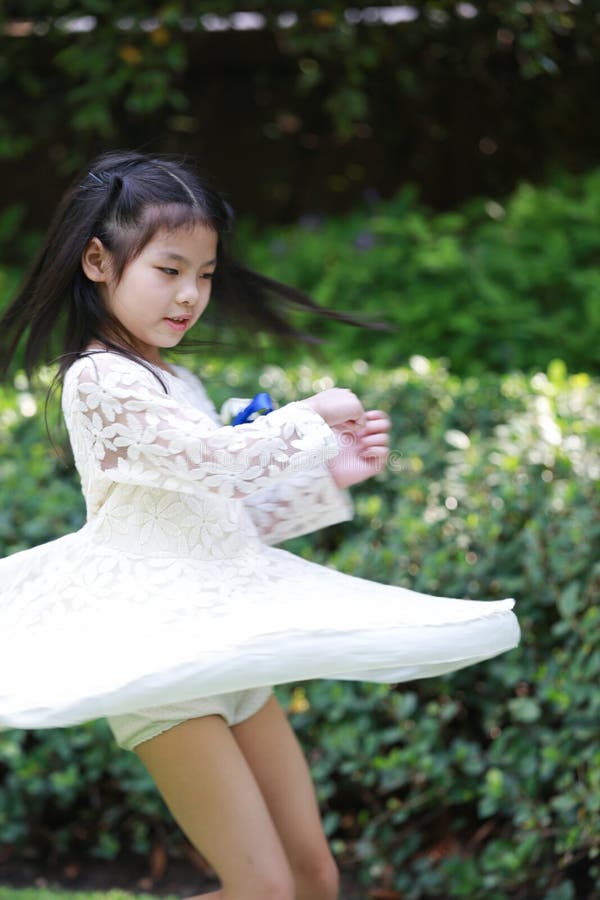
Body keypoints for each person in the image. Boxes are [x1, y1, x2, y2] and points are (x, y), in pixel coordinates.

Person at [0, 151, 519, 900]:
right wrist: (308, 417)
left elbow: (217, 514)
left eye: (205, 275)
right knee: (267, 890)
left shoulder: (178, 378)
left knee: (314, 877)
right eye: (169, 270)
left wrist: (329, 474)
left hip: (223, 641)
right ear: (97, 261)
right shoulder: (97, 379)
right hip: (158, 657)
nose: (190, 296)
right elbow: (217, 461)